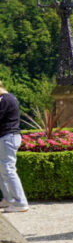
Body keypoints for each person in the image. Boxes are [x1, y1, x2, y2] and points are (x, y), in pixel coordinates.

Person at [0, 80, 28, 213]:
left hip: (7, 137)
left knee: (8, 169)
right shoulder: (6, 98)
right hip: (7, 137)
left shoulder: (5, 100)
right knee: (3, 170)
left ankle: (20, 203)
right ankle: (8, 199)